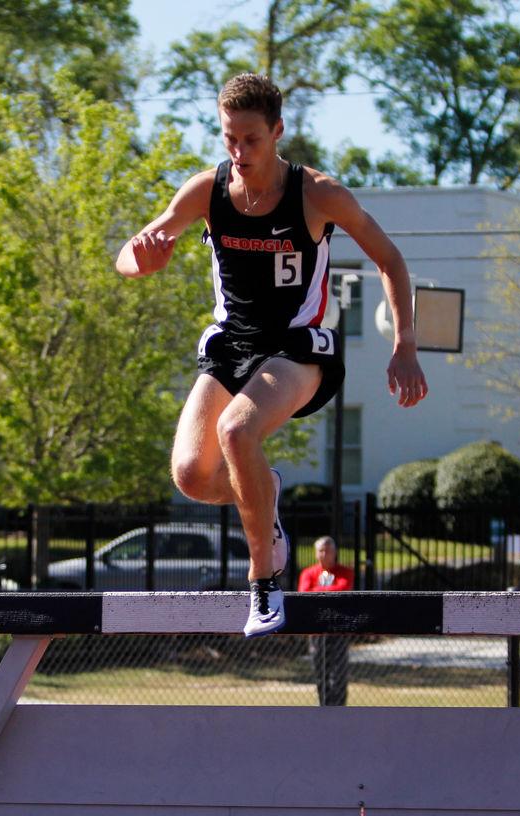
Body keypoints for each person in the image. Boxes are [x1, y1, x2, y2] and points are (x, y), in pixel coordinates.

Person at [116, 72, 427, 636]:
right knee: (190, 475)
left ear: (277, 131)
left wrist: (404, 343)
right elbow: (130, 253)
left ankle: (264, 585)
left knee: (237, 431)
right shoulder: (205, 191)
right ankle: (267, 491)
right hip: (232, 345)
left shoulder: (318, 193)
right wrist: (141, 263)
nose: (239, 152)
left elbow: (390, 259)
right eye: (229, 138)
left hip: (296, 347)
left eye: (251, 139)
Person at [298, 536, 355, 706]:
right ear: (316, 553)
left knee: (339, 672)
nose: (324, 554)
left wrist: (319, 591)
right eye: (321, 551)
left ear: (335, 553)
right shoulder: (308, 573)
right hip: (317, 629)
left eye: (328, 551)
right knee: (320, 670)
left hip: (338, 628)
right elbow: (304, 593)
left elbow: (343, 589)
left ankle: (339, 707)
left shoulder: (345, 572)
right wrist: (328, 592)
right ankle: (324, 705)